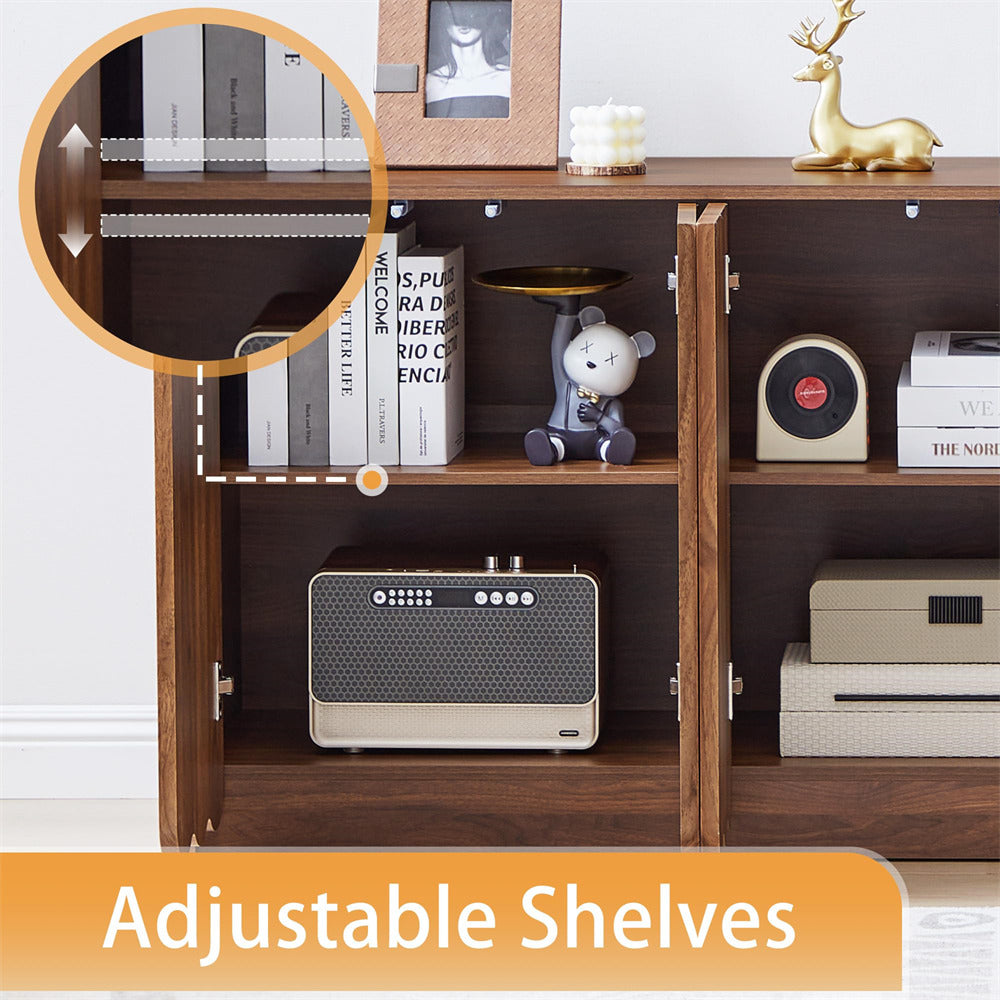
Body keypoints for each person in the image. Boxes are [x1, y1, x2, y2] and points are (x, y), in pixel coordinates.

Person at [425, 1, 511, 119]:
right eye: (454, 14)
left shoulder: (508, 79)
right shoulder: (431, 83)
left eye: (473, 13)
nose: (463, 22)